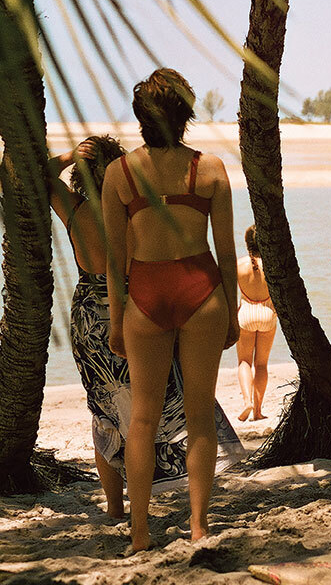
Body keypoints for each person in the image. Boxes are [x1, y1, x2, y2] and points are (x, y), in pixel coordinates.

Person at [47, 137, 238, 520]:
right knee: (158, 405)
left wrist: (69, 156)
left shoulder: (75, 209)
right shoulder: (137, 211)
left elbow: (42, 177)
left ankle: (116, 507)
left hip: (89, 316)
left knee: (105, 411)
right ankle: (175, 492)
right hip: (137, 305)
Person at [102, 68, 242, 551]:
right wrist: (234, 313)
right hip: (202, 289)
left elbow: (115, 260)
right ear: (186, 114)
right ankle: (199, 524)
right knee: (200, 415)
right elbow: (227, 253)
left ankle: (140, 533)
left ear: (141, 117)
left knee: (141, 420)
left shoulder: (118, 173)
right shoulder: (210, 169)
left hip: (145, 293)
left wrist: (116, 320)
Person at [236, 225, 276, 421]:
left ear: (247, 243)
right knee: (261, 364)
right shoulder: (273, 265)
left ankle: (247, 402)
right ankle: (258, 411)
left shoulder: (239, 265)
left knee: (244, 361)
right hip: (267, 313)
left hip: (246, 313)